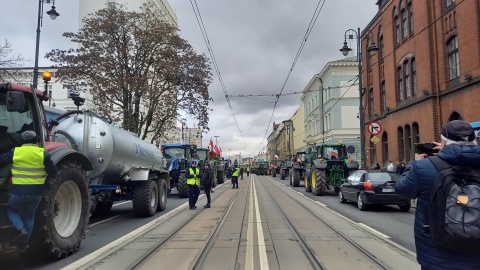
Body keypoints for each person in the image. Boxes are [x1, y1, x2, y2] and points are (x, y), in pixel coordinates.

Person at [395, 120, 480, 270]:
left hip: (436, 252)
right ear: (474, 139)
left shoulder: (423, 167)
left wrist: (414, 163)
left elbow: (403, 190)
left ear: (444, 141)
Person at [0, 131, 57, 251]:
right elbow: (53, 172)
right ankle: (24, 243)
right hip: (36, 193)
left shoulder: (15, 152)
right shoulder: (43, 154)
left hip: (18, 192)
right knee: (29, 216)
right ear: (36, 141)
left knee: (11, 210)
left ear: (22, 141)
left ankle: (21, 229)